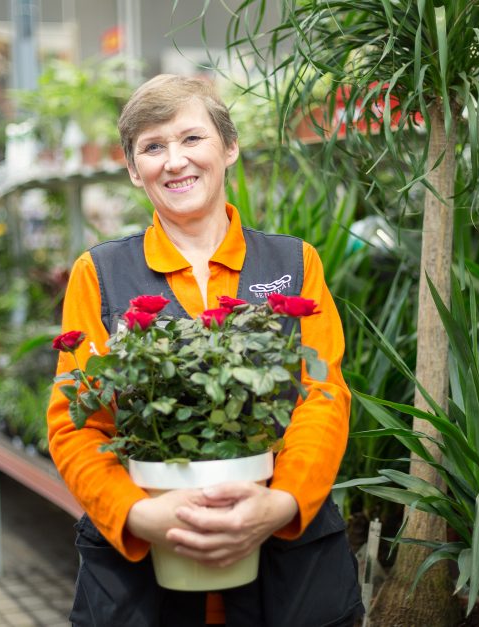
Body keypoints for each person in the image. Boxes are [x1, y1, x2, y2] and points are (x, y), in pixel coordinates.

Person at [47, 74, 363, 627]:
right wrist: (138, 514)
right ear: (132, 168)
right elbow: (78, 424)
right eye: (153, 146)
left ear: (229, 146)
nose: (175, 161)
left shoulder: (294, 264)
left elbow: (323, 395)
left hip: (287, 577)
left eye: (192, 138)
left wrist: (281, 504)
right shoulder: (99, 274)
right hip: (144, 582)